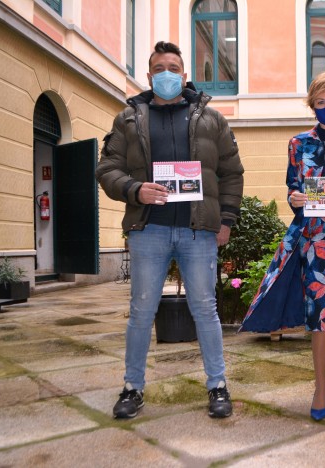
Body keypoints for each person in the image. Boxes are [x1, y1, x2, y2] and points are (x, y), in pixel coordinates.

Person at [96, 41, 244, 419]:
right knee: (141, 312)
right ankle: (132, 388)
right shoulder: (128, 118)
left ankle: (218, 385)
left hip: (199, 233)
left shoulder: (212, 119)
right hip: (150, 231)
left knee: (205, 310)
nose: (166, 74)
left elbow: (231, 173)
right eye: (159, 68)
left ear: (184, 74)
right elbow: (107, 168)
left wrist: (225, 220)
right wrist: (135, 189)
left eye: (173, 68)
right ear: (149, 76)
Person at [239, 71, 325, 421]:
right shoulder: (298, 144)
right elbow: (292, 189)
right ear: (312, 105)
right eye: (321, 102)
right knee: (320, 318)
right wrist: (296, 197)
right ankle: (319, 387)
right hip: (314, 242)